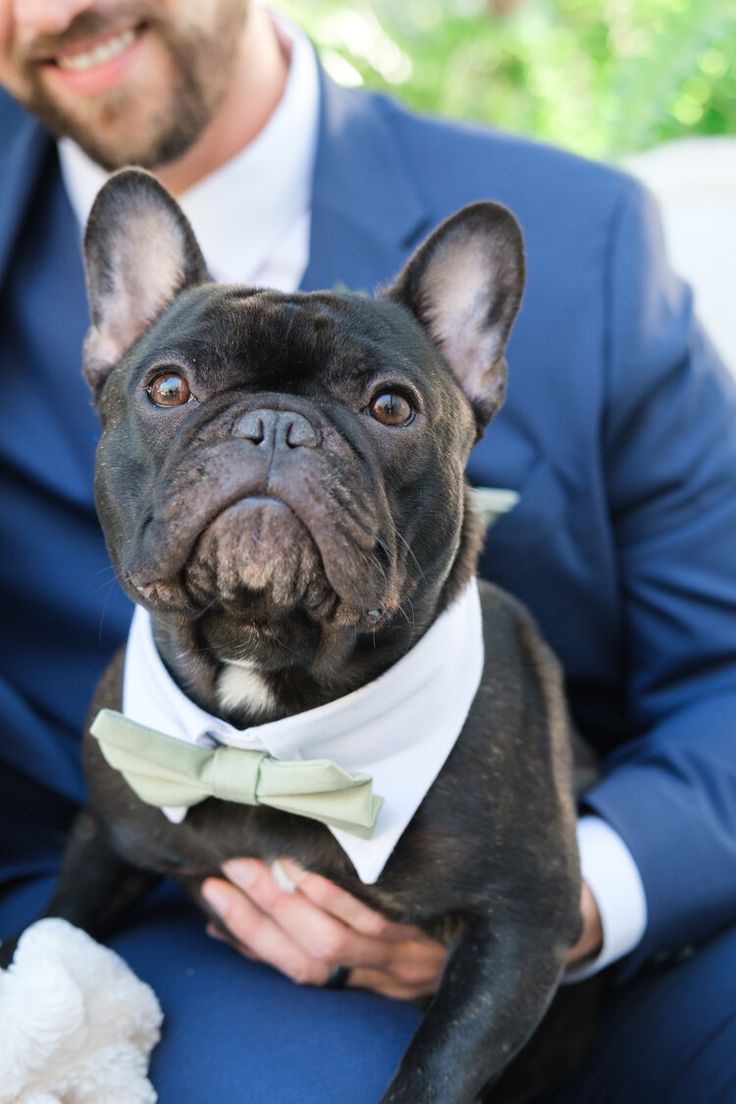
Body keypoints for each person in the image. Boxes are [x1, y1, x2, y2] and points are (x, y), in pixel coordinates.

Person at [0, 2, 734, 1101]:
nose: (52, 10)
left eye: (385, 407)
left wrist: (593, 902)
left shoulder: (593, 239)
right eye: (171, 390)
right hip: (177, 924)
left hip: (599, 886)